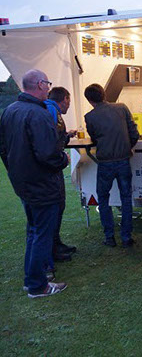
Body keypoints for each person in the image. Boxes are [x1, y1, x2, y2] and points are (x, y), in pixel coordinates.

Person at [0, 69, 69, 298]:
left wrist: (15, 171)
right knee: (42, 234)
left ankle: (32, 279)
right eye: (47, 83)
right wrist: (63, 160)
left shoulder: (10, 110)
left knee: (33, 230)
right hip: (42, 183)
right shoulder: (38, 114)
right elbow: (48, 153)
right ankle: (38, 285)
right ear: (40, 85)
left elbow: (4, 149)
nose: (49, 88)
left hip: (23, 182)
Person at [84, 84, 139, 248]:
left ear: (89, 100)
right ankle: (126, 237)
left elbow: (94, 138)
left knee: (103, 198)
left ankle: (109, 236)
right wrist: (127, 147)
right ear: (104, 94)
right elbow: (134, 133)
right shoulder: (121, 108)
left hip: (105, 162)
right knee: (126, 198)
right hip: (123, 160)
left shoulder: (90, 117)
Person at [44, 87, 77, 263]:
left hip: (50, 169)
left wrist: (66, 135)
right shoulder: (51, 111)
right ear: (64, 99)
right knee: (55, 208)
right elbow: (50, 142)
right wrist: (62, 158)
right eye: (69, 101)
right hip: (51, 170)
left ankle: (56, 244)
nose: (69, 106)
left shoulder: (49, 109)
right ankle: (52, 250)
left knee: (59, 206)